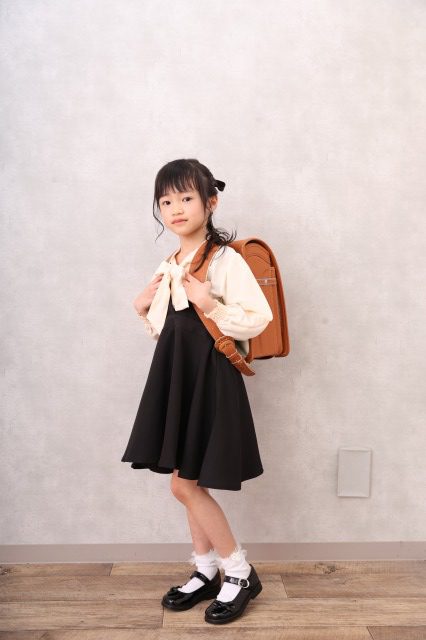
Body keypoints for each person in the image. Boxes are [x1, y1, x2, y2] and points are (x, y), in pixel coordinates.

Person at [121, 158, 273, 624]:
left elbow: (258, 318)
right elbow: (170, 332)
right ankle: (206, 569)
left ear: (211, 202)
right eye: (166, 201)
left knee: (184, 484)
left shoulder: (225, 260)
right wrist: (143, 309)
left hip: (210, 378)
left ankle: (239, 572)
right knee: (190, 478)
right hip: (178, 377)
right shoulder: (170, 264)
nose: (176, 208)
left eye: (186, 198)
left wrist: (212, 304)